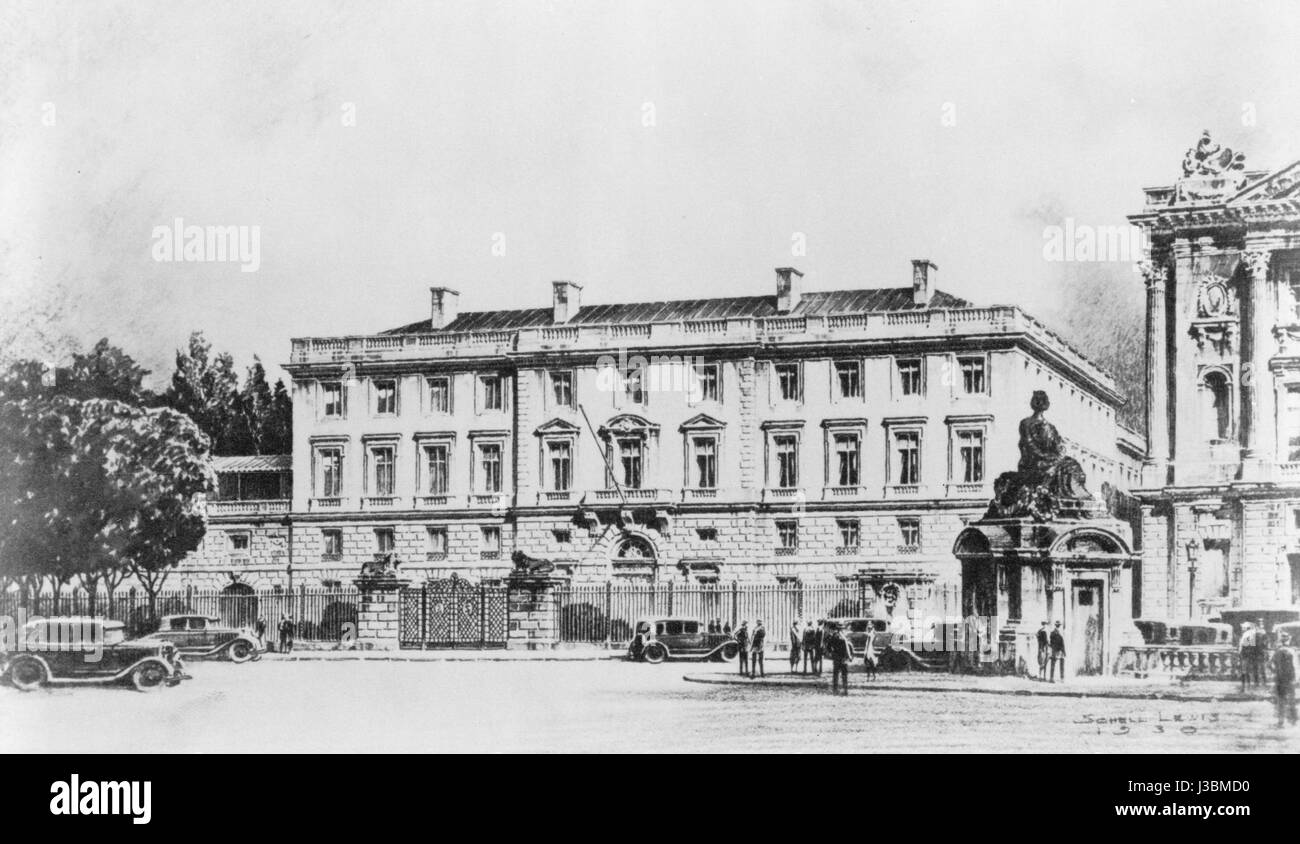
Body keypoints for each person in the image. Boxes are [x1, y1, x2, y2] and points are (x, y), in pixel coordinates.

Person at [1270, 632, 1297, 728]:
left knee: (1281, 700)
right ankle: (1293, 721)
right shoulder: (1292, 651)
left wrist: (1276, 672)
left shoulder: (1277, 651)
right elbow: (1295, 666)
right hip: (1290, 678)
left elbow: (1270, 664)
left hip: (1280, 678)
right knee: (1291, 699)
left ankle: (1281, 721)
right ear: (1289, 640)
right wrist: (1296, 678)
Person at [826, 623, 851, 693]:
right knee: (839, 674)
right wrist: (832, 653)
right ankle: (839, 689)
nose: (842, 629)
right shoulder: (837, 636)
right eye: (841, 628)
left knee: (840, 674)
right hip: (840, 657)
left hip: (841, 657)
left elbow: (829, 647)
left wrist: (832, 653)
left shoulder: (840, 636)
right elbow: (829, 646)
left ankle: (842, 689)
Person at [1239, 623, 1258, 691]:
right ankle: (1247, 686)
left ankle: (1245, 686)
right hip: (1248, 656)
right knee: (1247, 672)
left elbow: (1247, 646)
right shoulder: (1250, 634)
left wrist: (1241, 653)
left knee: (1245, 672)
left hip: (1246, 656)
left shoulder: (1247, 635)